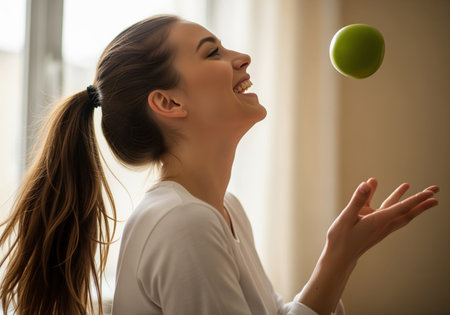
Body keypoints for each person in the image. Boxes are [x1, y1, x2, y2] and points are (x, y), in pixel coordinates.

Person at [0, 14, 439, 315]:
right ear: (169, 102)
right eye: (212, 52)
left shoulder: (220, 209)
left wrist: (339, 255)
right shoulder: (183, 221)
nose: (242, 57)